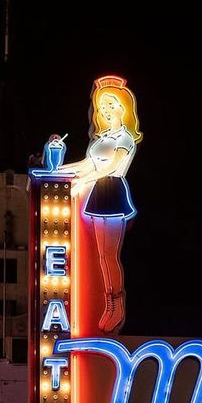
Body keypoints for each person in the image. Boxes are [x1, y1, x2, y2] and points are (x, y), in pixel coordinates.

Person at [59, 75, 142, 334]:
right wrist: (59, 170)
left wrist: (79, 180)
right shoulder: (101, 138)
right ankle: (109, 302)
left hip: (113, 192)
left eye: (111, 104)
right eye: (102, 106)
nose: (106, 110)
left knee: (109, 254)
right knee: (101, 255)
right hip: (97, 193)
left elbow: (112, 167)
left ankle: (116, 303)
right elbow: (89, 164)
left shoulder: (126, 137)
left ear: (123, 107)